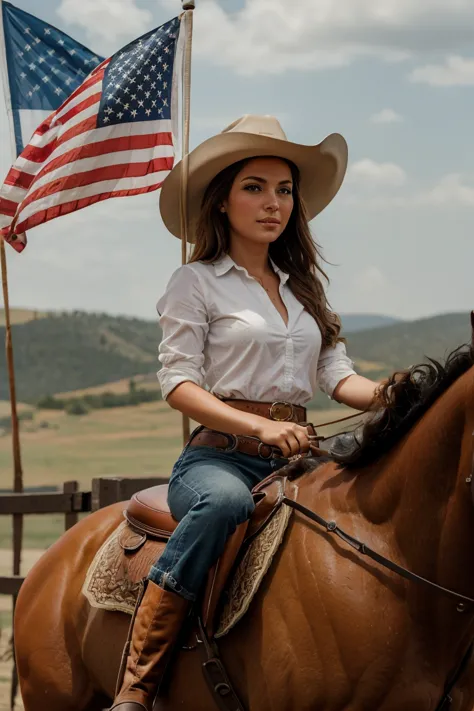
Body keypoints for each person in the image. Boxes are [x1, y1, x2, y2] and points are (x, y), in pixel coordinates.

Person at [111, 114, 381, 711]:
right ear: (222, 202)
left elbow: (337, 378)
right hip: (221, 460)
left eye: (284, 190)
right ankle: (138, 682)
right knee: (225, 506)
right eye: (255, 188)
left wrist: (398, 394)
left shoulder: (304, 287)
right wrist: (259, 424)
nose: (273, 203)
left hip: (299, 457)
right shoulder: (197, 282)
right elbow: (178, 383)